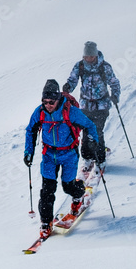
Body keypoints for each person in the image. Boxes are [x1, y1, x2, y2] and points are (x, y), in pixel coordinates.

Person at [24, 79, 99, 237]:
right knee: (47, 190)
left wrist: (93, 142)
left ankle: (78, 197)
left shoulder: (70, 112)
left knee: (68, 187)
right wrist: (28, 152)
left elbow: (90, 125)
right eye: (44, 101)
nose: (48, 105)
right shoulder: (39, 112)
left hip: (69, 154)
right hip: (49, 155)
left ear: (58, 99)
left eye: (51, 101)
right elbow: (30, 130)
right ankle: (45, 222)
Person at [63, 41, 120, 171]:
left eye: (90, 56)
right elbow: (73, 80)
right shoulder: (80, 66)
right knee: (85, 132)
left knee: (96, 132)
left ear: (95, 55)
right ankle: (87, 157)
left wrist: (115, 95)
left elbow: (114, 82)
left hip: (102, 105)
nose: (88, 59)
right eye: (86, 56)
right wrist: (68, 87)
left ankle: (100, 159)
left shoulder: (104, 67)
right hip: (85, 105)